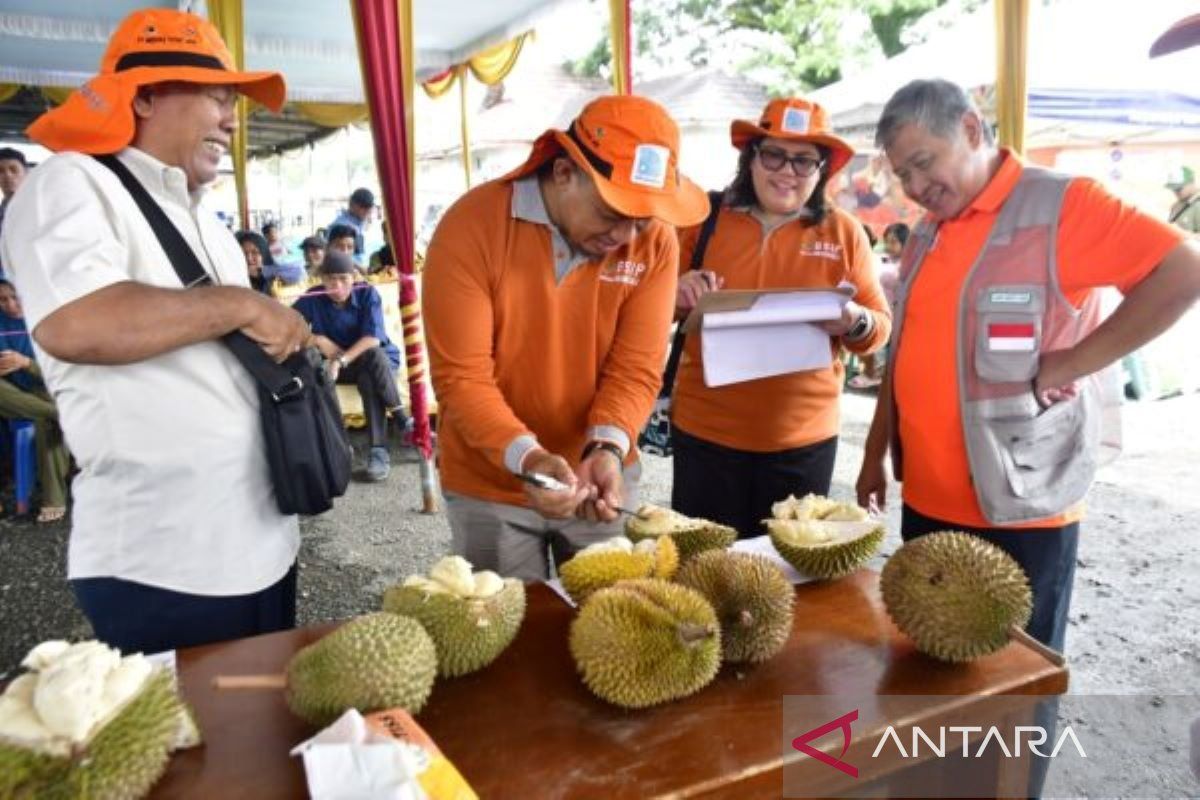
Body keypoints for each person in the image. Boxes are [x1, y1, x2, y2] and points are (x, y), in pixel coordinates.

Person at [0, 8, 309, 655]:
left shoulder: (209, 223)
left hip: (262, 543)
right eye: (218, 98)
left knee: (257, 737)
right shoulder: (71, 183)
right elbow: (74, 322)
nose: (233, 118)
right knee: (194, 749)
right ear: (143, 96)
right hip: (164, 561)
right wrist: (243, 306)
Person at [856, 79, 1200, 657]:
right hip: (927, 503)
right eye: (904, 175)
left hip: (1021, 505)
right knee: (934, 685)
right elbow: (906, 348)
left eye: (923, 164)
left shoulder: (1064, 206)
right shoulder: (926, 232)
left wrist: (1072, 361)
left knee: (1016, 691)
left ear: (970, 129)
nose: (915, 188)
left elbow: (1183, 272)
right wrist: (874, 454)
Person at [423, 94, 709, 580]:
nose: (625, 234)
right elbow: (463, 378)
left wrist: (608, 447)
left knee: (614, 626)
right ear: (563, 173)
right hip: (489, 483)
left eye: (642, 217)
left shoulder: (653, 242)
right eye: (611, 211)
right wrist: (527, 458)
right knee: (508, 633)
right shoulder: (471, 228)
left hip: (599, 478)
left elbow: (636, 366)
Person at [670, 97, 891, 538]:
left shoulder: (844, 232)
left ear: (821, 169)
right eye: (774, 154)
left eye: (804, 161)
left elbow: (879, 328)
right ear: (751, 156)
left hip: (802, 443)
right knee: (701, 572)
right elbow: (646, 310)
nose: (787, 171)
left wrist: (853, 321)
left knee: (787, 579)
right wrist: (675, 296)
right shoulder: (702, 221)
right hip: (706, 435)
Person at [293, 250, 407, 483]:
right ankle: (346, 445)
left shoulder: (367, 293)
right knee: (315, 365)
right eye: (331, 279)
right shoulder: (313, 296)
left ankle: (384, 444)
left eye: (344, 278)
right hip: (342, 367)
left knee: (371, 368)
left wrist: (340, 360)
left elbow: (373, 340)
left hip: (376, 362)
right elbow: (286, 322)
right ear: (321, 279)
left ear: (353, 277)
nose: (337, 286)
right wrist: (315, 339)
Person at [0, 279, 71, 523]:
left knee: (41, 420)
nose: (10, 305)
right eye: (3, 300)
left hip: (46, 389)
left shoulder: (47, 321)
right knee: (48, 414)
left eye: (15, 297)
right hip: (11, 394)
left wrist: (26, 364)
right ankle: (59, 413)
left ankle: (53, 499)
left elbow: (65, 371)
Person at [235, 229, 303, 294]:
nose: (249, 258)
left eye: (255, 252)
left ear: (264, 254)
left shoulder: (272, 274)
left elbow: (299, 273)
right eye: (243, 253)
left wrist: (262, 271)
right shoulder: (234, 277)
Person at [0, 148, 29, 275]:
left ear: (26, 173)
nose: (7, 175)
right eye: (0, 171)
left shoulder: (40, 210)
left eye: (13, 169)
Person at [328, 187, 375, 266]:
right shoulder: (341, 225)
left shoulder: (359, 223)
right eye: (363, 207)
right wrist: (363, 271)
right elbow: (339, 255)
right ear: (351, 204)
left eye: (369, 207)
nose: (367, 211)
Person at [1165, 166, 1200, 234]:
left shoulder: (1198, 205)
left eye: (1179, 189)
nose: (1176, 192)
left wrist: (1187, 236)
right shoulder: (1176, 205)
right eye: (1173, 189)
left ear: (1191, 183)